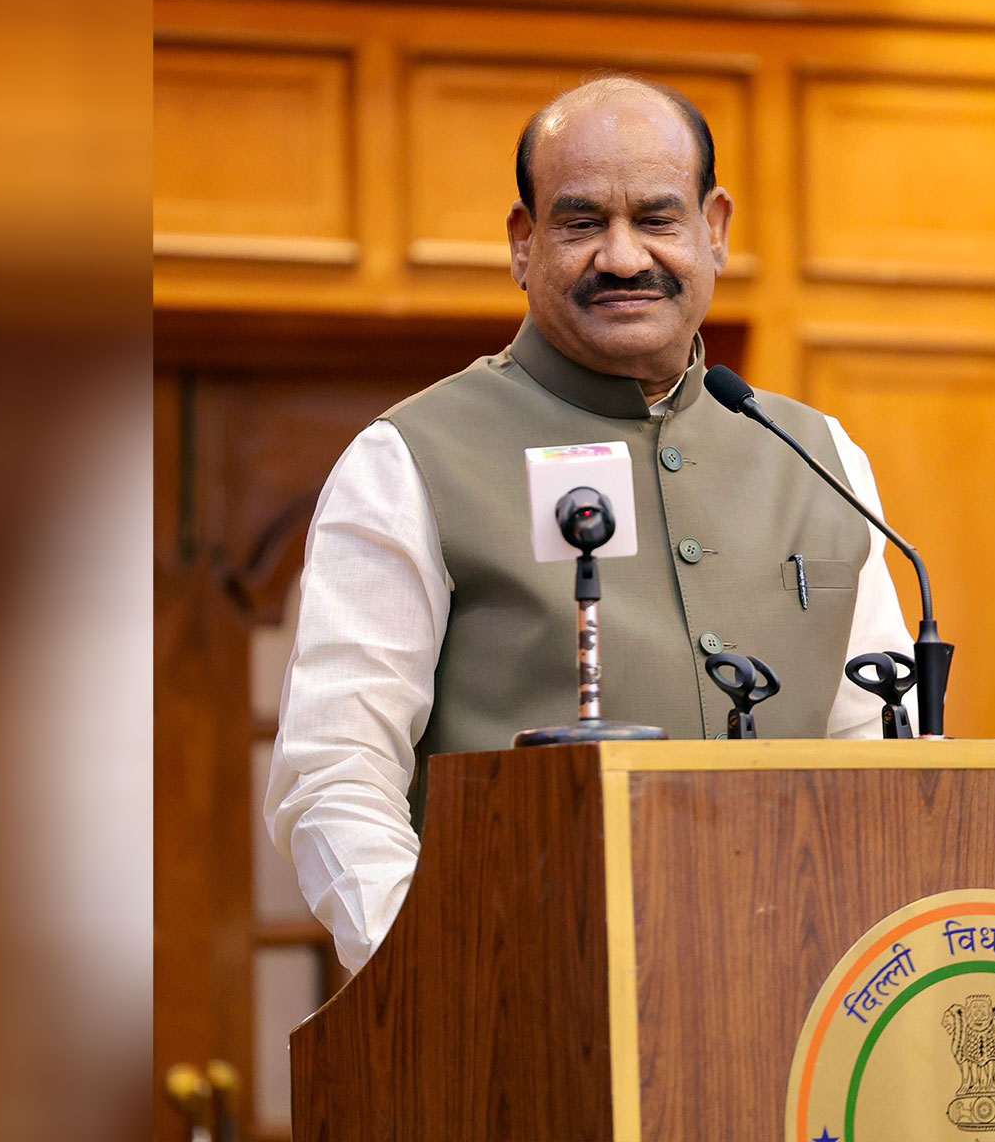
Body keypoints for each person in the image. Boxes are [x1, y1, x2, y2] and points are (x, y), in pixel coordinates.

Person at [266, 75, 915, 973]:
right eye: (580, 223)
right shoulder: (410, 458)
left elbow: (874, 749)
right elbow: (336, 776)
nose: (622, 257)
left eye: (657, 218)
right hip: (519, 1018)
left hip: (788, 1013)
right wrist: (438, 984)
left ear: (714, 229)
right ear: (524, 243)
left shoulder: (816, 454)